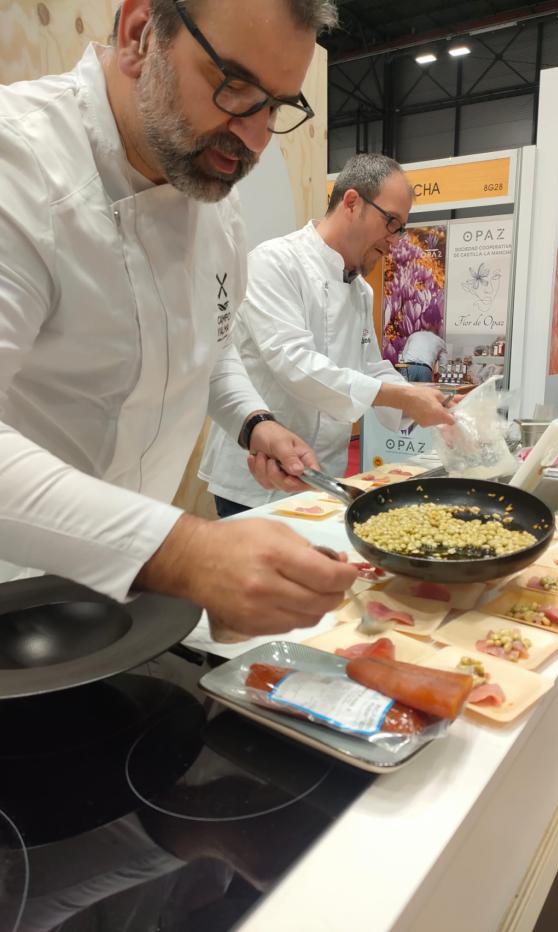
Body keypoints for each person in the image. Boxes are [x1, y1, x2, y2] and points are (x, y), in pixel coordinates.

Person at [0, 0, 359, 638]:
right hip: (14, 590)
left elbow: (207, 347)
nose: (253, 137)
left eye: (274, 104)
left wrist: (255, 423)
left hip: (127, 601)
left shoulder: (211, 201)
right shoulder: (18, 163)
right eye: (235, 86)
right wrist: (184, 551)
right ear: (141, 35)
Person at [199, 153, 454, 515]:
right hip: (256, 477)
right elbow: (295, 364)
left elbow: (370, 366)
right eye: (391, 222)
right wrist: (402, 397)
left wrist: (422, 397)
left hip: (321, 475)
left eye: (401, 228)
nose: (395, 240)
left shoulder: (359, 290)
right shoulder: (275, 263)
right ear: (352, 202)